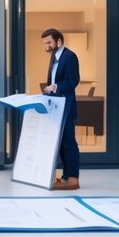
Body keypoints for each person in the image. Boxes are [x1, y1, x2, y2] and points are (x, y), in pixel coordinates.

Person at [41, 28, 81, 190]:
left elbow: (73, 81)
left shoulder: (69, 57)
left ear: (59, 41)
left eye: (49, 42)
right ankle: (65, 176)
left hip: (67, 106)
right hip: (56, 106)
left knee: (69, 142)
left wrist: (56, 86)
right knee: (61, 142)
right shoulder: (54, 56)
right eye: (45, 43)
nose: (47, 46)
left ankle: (73, 178)